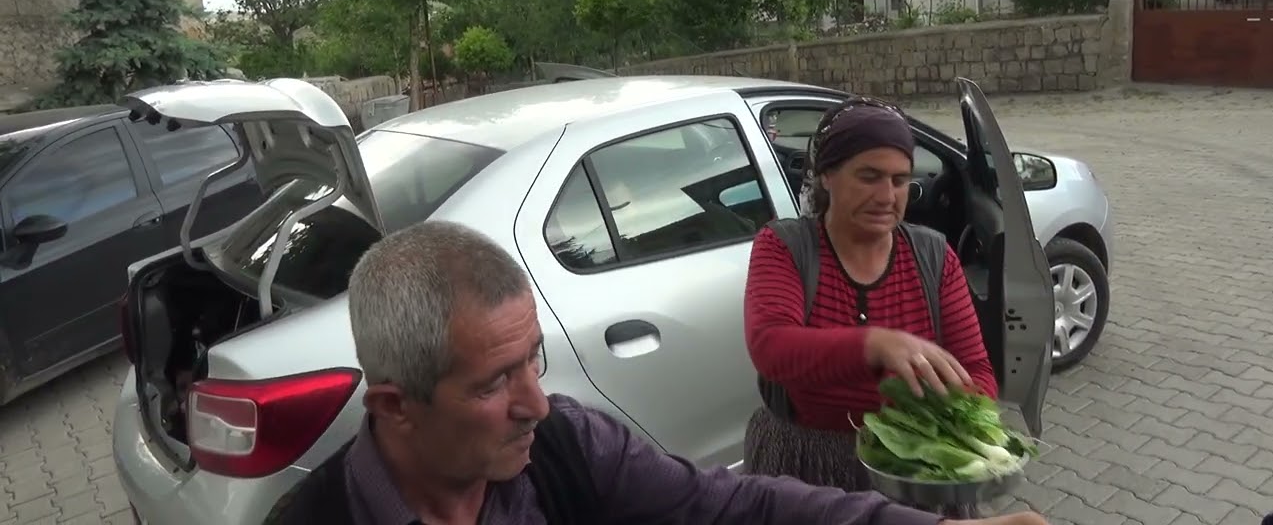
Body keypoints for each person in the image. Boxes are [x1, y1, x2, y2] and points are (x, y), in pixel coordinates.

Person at [264, 220, 1047, 525]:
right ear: (397, 406)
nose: (538, 402)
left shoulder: (567, 447)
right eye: (493, 383)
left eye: (532, 359)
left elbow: (736, 506)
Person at [743, 96, 999, 498]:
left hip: (909, 466)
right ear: (827, 175)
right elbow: (771, 347)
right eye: (869, 176)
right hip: (804, 466)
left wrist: (933, 419)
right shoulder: (785, 246)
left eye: (900, 180)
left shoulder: (934, 257)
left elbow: (979, 373)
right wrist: (878, 345)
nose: (887, 196)